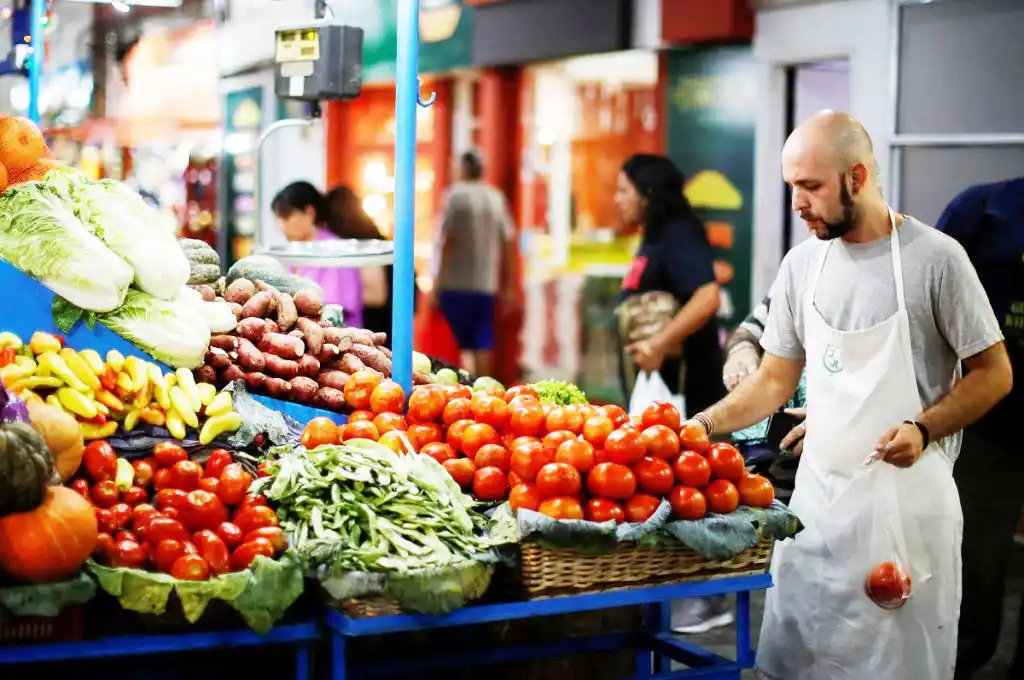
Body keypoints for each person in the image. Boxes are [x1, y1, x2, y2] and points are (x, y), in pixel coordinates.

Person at [682, 110, 1011, 680]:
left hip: (907, 515)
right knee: (797, 657)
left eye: (810, 186)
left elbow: (994, 372)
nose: (796, 204)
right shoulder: (802, 266)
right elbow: (772, 382)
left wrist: (925, 427)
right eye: (792, 187)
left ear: (857, 177)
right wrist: (702, 426)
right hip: (818, 509)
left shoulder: (936, 260)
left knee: (892, 663)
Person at [612, 154, 726, 634]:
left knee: (692, 486)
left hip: (688, 389)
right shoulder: (656, 233)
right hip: (660, 391)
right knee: (667, 486)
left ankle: (708, 599)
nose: (616, 200)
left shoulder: (678, 233)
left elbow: (707, 296)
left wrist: (658, 344)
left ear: (648, 193)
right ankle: (679, 593)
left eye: (622, 190)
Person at [938, 176, 1024, 680]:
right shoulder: (985, 208)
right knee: (975, 554)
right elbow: (927, 294)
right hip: (989, 419)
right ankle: (959, 661)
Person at [428, 151, 517, 377]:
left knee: (459, 344)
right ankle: (483, 391)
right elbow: (508, 242)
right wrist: (508, 285)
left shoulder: (455, 196)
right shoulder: (495, 197)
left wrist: (435, 283)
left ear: (463, 169)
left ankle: (465, 392)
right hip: (486, 284)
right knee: (482, 342)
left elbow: (446, 239)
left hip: (455, 282)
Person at [270, 181, 367, 328]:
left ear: (309, 213)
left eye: (286, 217)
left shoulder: (336, 251)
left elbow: (334, 310)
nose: (281, 226)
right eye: (278, 218)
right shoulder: (295, 252)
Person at [324, 186, 395, 344]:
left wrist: (337, 299)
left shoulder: (362, 240)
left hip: (376, 323)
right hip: (380, 319)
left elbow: (377, 295)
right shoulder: (368, 233)